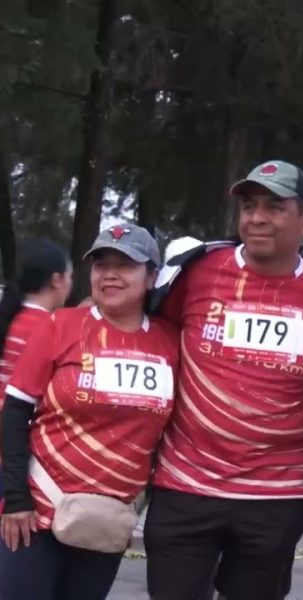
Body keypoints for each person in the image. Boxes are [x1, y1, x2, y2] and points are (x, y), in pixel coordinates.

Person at [144, 160, 303, 600]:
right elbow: (156, 338)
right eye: (250, 206)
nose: (256, 218)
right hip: (185, 486)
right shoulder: (196, 273)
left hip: (273, 497)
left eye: (274, 207)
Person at [0, 223, 179, 600]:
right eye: (101, 264)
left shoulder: (169, 342)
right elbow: (15, 411)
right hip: (36, 515)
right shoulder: (59, 326)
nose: (110, 274)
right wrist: (14, 499)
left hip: (106, 523)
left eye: (125, 265)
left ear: (150, 277)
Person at [0, 239, 72, 404]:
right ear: (56, 280)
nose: (70, 283)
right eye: (70, 276)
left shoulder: (9, 317)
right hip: (19, 425)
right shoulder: (53, 329)